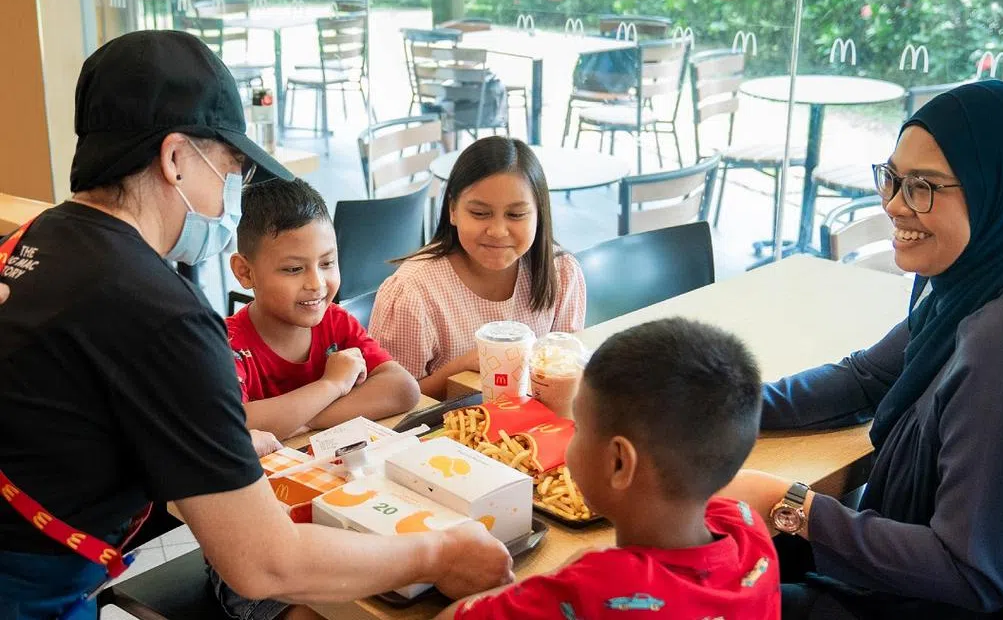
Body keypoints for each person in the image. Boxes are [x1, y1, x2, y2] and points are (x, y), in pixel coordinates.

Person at [0, 31, 511, 620]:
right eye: (229, 169)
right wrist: (437, 553)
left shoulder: (34, 239)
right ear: (175, 159)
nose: (231, 194)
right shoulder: (162, 313)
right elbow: (263, 562)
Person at [736, 81, 1003, 619]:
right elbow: (864, 378)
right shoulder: (999, 283)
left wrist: (789, 505)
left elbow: (971, 573)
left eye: (923, 186)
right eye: (894, 179)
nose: (895, 205)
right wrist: (712, 409)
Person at [434, 317, 780, 620]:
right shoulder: (748, 529)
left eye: (579, 428)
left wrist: (562, 573)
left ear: (618, 462)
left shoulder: (596, 588)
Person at [369, 137, 586, 398]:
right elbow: (388, 400)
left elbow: (567, 372)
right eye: (480, 213)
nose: (497, 231)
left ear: (539, 214)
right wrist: (460, 368)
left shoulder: (561, 272)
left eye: (516, 215)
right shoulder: (411, 292)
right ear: (452, 210)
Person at [228, 177, 420, 441]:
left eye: (327, 262)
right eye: (294, 269)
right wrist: (333, 385)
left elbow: (403, 389)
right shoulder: (227, 345)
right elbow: (234, 424)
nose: (316, 283)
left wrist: (306, 419)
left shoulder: (336, 322)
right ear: (245, 272)